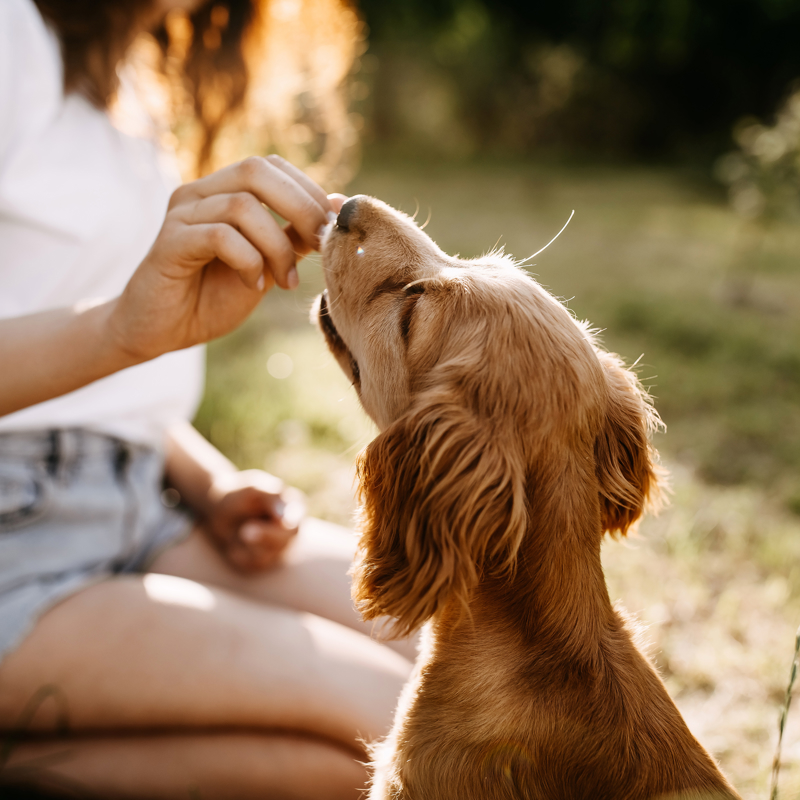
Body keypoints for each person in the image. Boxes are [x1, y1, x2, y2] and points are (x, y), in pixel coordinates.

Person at [0, 0, 413, 797]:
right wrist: (122, 328)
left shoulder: (132, 76)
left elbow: (89, 389)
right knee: (405, 727)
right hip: (16, 540)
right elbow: (102, 337)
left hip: (138, 505)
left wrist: (208, 482)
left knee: (463, 652)